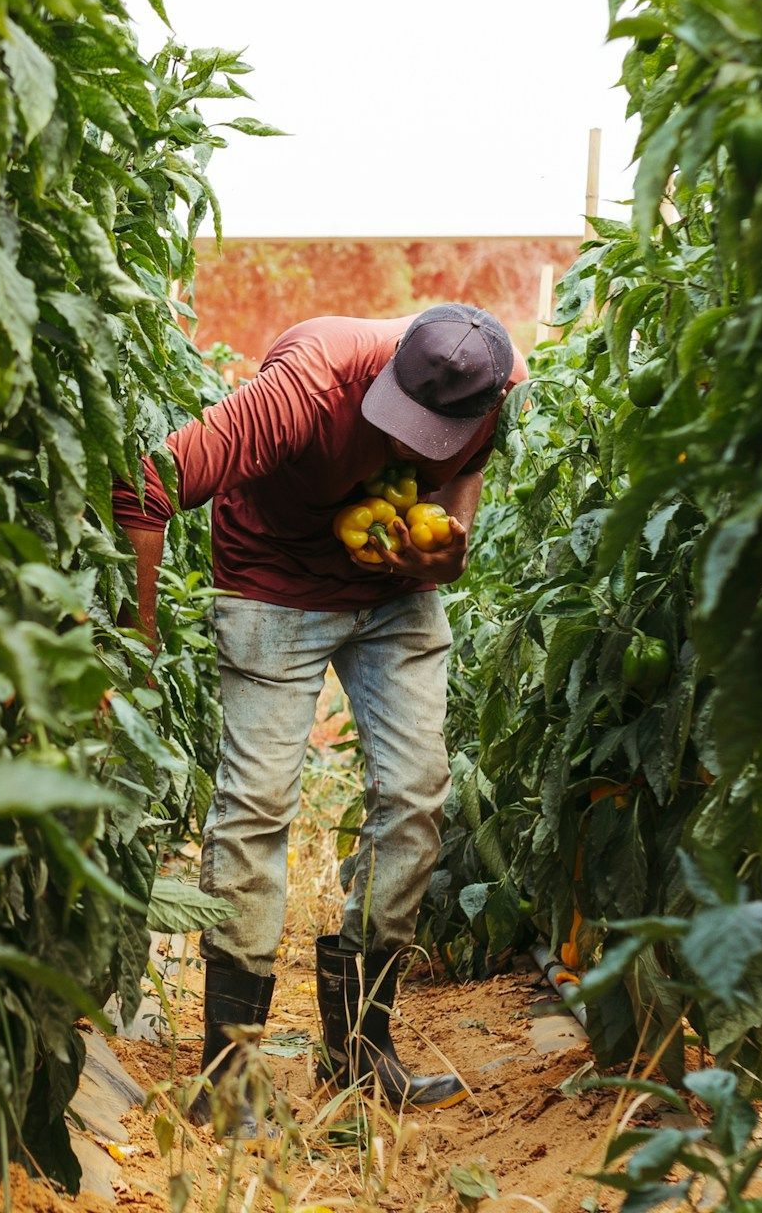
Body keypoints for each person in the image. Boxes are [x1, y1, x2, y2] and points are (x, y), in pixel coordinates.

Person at [113, 304, 526, 1127]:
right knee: (258, 805)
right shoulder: (308, 387)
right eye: (399, 423)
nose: (409, 447)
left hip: (394, 596)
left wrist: (454, 541)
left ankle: (362, 1051)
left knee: (417, 795)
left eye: (431, 435)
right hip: (273, 585)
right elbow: (144, 485)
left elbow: (464, 475)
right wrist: (135, 647)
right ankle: (229, 1079)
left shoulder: (494, 382)